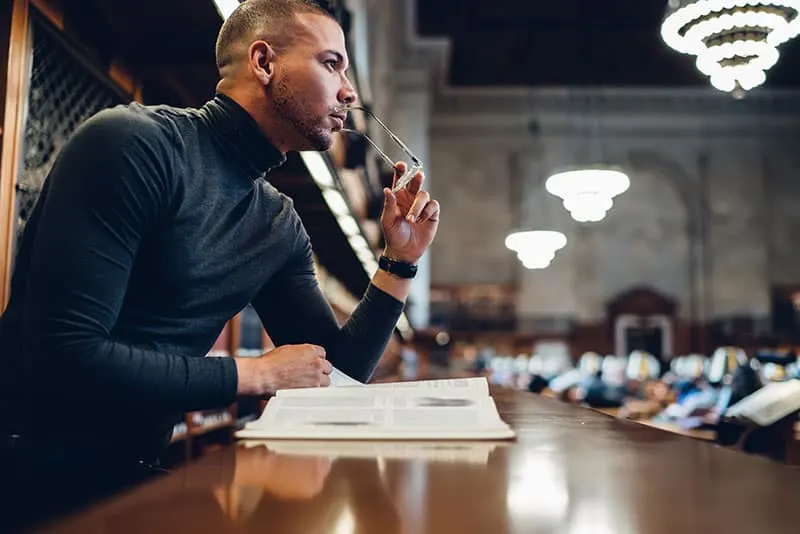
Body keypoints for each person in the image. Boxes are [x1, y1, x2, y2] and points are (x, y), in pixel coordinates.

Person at [0, 0, 439, 527]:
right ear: (263, 61)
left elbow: (337, 374)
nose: (348, 90)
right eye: (330, 63)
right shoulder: (133, 144)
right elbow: (65, 355)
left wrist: (399, 262)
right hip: (26, 475)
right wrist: (252, 374)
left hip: (132, 477)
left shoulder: (276, 223)